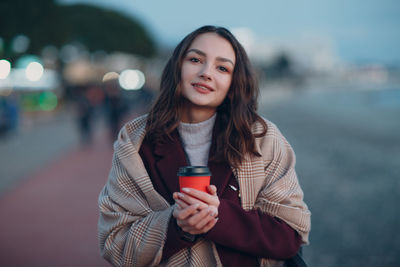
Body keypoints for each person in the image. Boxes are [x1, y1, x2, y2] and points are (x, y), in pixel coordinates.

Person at [98, 25, 311, 267]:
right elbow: (115, 244)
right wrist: (177, 225)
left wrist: (219, 216)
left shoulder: (261, 138)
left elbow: (290, 234)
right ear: (177, 67)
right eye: (195, 59)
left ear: (234, 82)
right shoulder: (135, 141)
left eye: (222, 67)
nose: (206, 73)